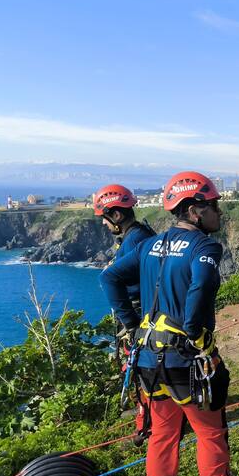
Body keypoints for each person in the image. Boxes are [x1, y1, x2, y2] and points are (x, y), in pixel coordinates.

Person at [100, 171, 239, 476]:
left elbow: (110, 278)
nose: (220, 212)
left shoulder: (149, 246)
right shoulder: (204, 247)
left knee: (162, 436)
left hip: (149, 361)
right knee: (209, 432)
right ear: (195, 210)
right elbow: (201, 288)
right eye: (214, 205)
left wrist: (133, 324)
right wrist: (194, 333)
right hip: (186, 362)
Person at [93, 184, 155, 445]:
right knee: (141, 367)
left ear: (116, 215)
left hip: (138, 311)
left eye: (105, 219)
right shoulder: (138, 235)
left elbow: (113, 278)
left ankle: (148, 425)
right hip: (143, 308)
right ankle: (147, 414)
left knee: (143, 368)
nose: (105, 225)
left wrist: (130, 324)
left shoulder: (135, 239)